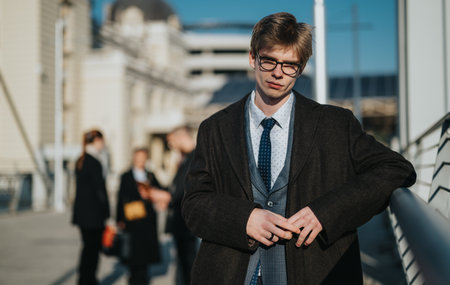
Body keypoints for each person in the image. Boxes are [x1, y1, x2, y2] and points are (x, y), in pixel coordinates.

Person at [182, 12, 417, 285]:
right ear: (252, 58)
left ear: (302, 68)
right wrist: (243, 219)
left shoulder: (335, 124)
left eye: (289, 65)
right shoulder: (215, 128)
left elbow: (396, 169)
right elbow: (193, 204)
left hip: (317, 274)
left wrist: (327, 211)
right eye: (269, 60)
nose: (278, 73)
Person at [116, 147, 171, 285]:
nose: (141, 160)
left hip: (147, 220)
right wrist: (119, 219)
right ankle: (133, 278)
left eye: (143, 157)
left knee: (145, 252)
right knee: (133, 252)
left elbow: (162, 190)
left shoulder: (150, 175)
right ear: (134, 158)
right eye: (138, 157)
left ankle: (144, 278)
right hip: (132, 220)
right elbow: (120, 199)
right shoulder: (126, 176)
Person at [72, 129, 110, 285]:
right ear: (96, 141)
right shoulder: (95, 161)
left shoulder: (81, 160)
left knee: (87, 249)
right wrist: (107, 213)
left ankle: (84, 279)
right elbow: (100, 191)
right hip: (94, 216)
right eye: (102, 141)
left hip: (82, 215)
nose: (103, 144)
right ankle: (89, 280)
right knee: (92, 251)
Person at [166, 127, 198, 285]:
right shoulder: (185, 159)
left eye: (172, 142)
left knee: (189, 267)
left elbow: (185, 191)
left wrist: (167, 198)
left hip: (188, 225)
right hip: (181, 224)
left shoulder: (196, 158)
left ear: (180, 138)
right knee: (183, 267)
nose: (171, 146)